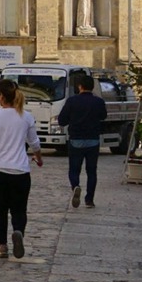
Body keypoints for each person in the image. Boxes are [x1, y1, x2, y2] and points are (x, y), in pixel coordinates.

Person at [0, 78, 43, 259]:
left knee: (0, 208)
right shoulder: (26, 116)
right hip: (20, 170)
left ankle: (2, 246)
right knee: (19, 208)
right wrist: (38, 159)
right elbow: (34, 143)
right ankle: (18, 232)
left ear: (0, 96)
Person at [57, 73, 108, 208]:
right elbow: (103, 116)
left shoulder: (72, 101)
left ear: (79, 86)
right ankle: (89, 199)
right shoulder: (98, 102)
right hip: (93, 140)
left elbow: (62, 120)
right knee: (91, 171)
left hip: (76, 140)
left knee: (74, 169)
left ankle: (75, 186)